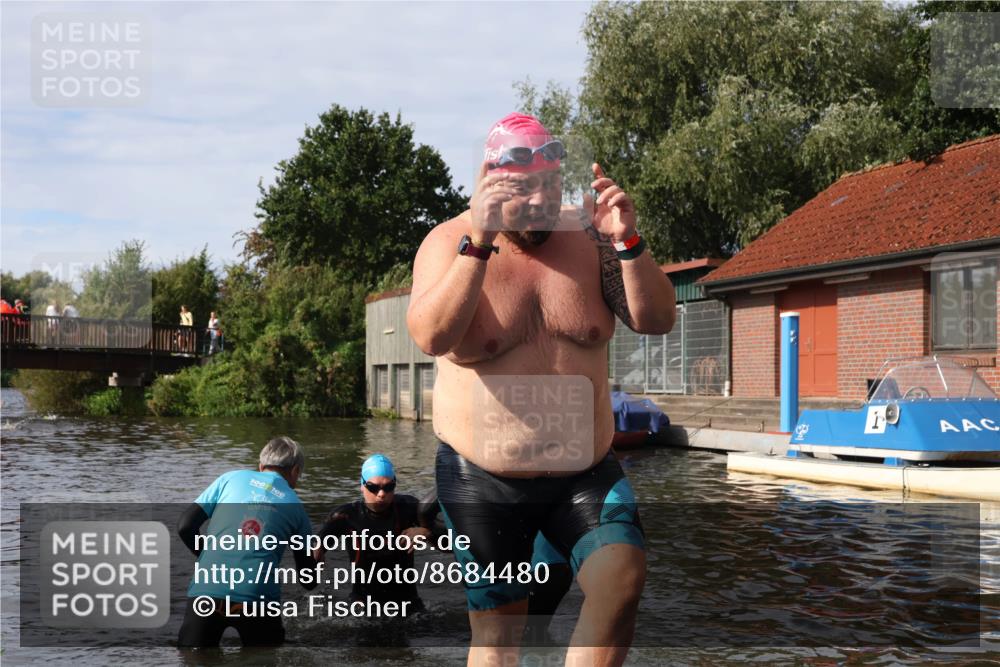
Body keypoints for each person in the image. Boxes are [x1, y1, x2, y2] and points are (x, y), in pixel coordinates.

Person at [406, 112, 676, 666]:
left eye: (550, 189)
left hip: (585, 471)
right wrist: (478, 243)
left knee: (621, 579)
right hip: (483, 479)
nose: (538, 205)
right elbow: (431, 335)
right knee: (501, 634)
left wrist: (628, 242)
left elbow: (656, 320)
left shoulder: (591, 241)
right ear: (488, 181)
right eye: (523, 190)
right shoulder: (447, 241)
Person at [176, 436, 320, 647]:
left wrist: (208, 557)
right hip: (257, 599)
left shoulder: (228, 479)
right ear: (296, 471)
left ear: (261, 466)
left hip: (206, 593)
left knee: (193, 656)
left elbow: (185, 526)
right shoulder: (296, 507)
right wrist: (317, 563)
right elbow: (308, 581)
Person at [313, 454, 431, 613]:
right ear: (362, 485)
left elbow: (450, 543)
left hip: (407, 603)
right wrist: (315, 554)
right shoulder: (345, 516)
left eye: (388, 487)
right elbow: (315, 548)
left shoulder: (408, 507)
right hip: (363, 605)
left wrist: (426, 532)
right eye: (374, 488)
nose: (381, 494)